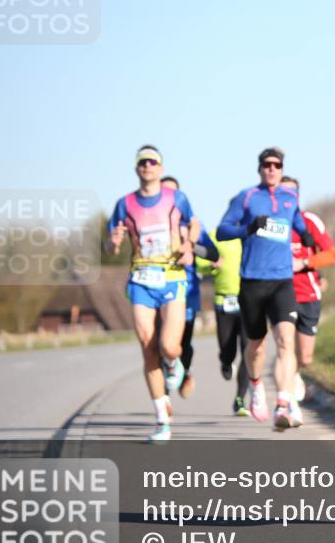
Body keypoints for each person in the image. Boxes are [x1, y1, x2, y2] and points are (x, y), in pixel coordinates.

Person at [217, 147, 315, 429]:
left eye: (277, 165)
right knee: (256, 347)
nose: (272, 169)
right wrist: (247, 227)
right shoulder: (246, 197)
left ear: (282, 169)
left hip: (282, 280)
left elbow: (294, 218)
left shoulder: (290, 196)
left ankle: (283, 402)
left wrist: (304, 232)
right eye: (266, 165)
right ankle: (256, 385)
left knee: (286, 339)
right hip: (252, 281)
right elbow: (223, 230)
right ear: (259, 168)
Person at [107, 145, 200, 443]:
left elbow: (194, 223)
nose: (147, 166)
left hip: (172, 279)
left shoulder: (177, 198)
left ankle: (173, 362)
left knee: (169, 346)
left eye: (153, 162)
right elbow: (111, 246)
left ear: (160, 168)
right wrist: (113, 242)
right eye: (142, 162)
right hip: (141, 280)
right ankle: (162, 419)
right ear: (137, 169)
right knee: (147, 347)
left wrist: (188, 246)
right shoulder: (125, 204)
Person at [280, 176, 335, 402]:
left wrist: (304, 263)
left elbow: (332, 255)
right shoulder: (270, 223)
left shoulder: (309, 221)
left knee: (305, 357)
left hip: (308, 294)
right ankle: (285, 399)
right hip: (281, 294)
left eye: (291, 193)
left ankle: (295, 373)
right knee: (285, 344)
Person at [161, 176, 219, 399]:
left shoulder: (193, 226)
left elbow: (212, 253)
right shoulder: (152, 225)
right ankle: (163, 398)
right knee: (160, 343)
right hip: (156, 291)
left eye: (172, 194)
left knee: (182, 343)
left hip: (185, 293)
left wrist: (190, 247)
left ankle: (186, 372)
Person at [195, 229, 250, 416]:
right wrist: (211, 265)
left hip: (249, 300)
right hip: (223, 301)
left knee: (248, 350)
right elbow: (199, 263)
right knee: (228, 349)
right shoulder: (215, 235)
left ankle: (240, 399)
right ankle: (226, 362)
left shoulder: (249, 236)